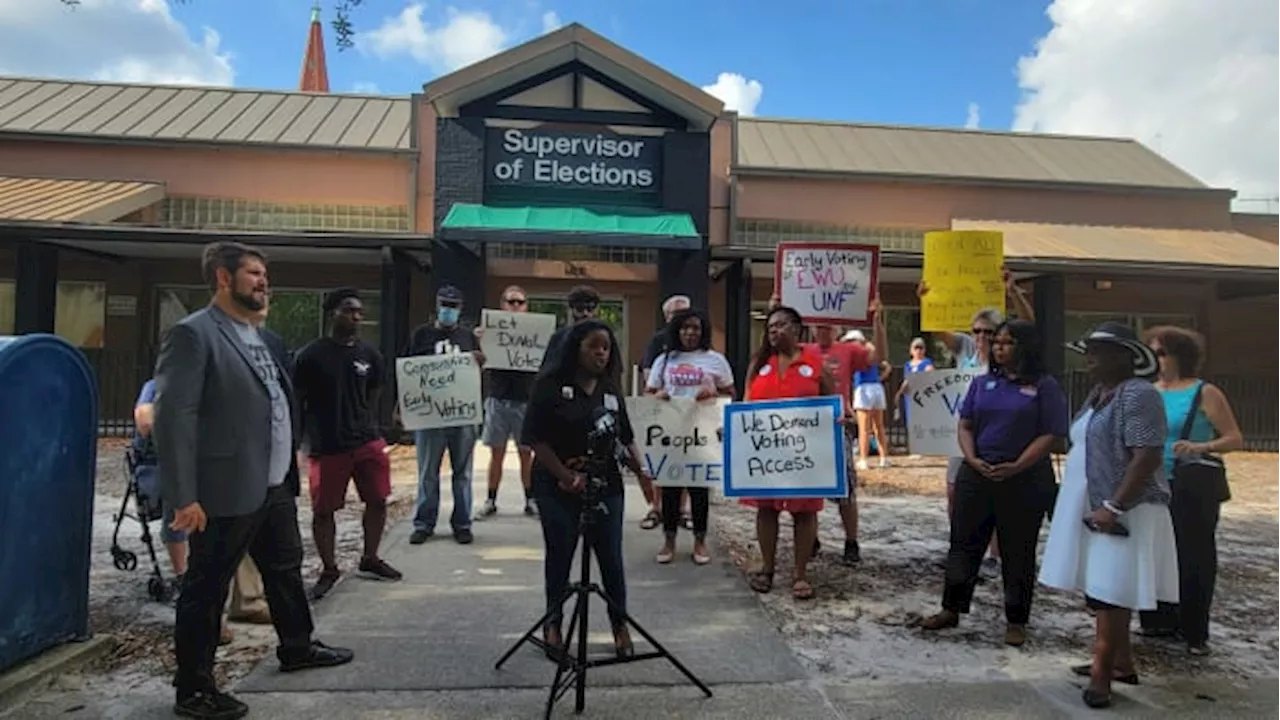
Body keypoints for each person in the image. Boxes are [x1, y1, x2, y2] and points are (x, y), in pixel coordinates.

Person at [154, 241, 352, 720]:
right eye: (253, 274)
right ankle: (194, 689)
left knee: (284, 569)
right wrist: (183, 496)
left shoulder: (267, 339)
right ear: (223, 278)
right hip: (223, 489)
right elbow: (173, 416)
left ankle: (297, 646)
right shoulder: (194, 335)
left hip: (273, 485)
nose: (264, 282)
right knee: (207, 588)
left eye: (265, 274)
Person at [1039, 322, 1178, 710]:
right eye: (1088, 352)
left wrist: (1115, 505)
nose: (1089, 359)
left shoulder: (1139, 394)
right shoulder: (1100, 394)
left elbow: (1147, 455)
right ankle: (1122, 662)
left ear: (1125, 356)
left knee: (1111, 590)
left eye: (1098, 352)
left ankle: (1103, 672)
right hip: (1092, 499)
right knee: (1102, 582)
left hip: (1126, 506)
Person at [920, 320, 1067, 647]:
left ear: (1025, 346)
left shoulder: (1044, 386)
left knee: (1018, 550)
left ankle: (1016, 619)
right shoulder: (983, 383)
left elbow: (1051, 434)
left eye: (1007, 342)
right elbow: (966, 424)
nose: (998, 347)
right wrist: (971, 459)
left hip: (1024, 477)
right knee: (963, 542)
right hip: (978, 472)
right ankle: (951, 607)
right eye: (996, 342)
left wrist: (1017, 465)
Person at [520, 319, 656, 657]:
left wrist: (644, 476)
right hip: (556, 485)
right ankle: (553, 625)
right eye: (593, 345)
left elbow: (624, 438)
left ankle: (619, 625)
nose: (601, 352)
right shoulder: (549, 386)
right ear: (575, 349)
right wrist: (565, 476)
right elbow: (534, 438)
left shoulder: (610, 390)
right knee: (561, 556)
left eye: (606, 347)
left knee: (611, 557)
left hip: (605, 485)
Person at [919, 268, 1034, 579]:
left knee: (997, 495)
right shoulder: (965, 349)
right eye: (977, 331)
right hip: (963, 435)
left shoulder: (1007, 356)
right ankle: (960, 548)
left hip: (998, 435)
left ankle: (995, 557)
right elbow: (939, 330)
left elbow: (1029, 327)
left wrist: (1013, 292)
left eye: (988, 331)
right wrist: (928, 300)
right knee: (956, 492)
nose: (981, 337)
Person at [1136, 326, 1244, 655]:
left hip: (1191, 483)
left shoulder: (1204, 393)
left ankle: (1194, 628)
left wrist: (1200, 446)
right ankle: (1157, 620)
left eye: (1162, 353)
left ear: (1180, 356)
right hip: (1153, 483)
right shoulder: (1149, 391)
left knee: (1194, 554)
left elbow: (1234, 438)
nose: (1156, 359)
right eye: (1152, 353)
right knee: (1155, 551)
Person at [292, 287, 401, 601]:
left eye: (359, 312)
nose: (355, 317)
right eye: (348, 310)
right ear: (332, 314)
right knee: (325, 510)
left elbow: (373, 394)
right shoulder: (310, 356)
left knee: (378, 500)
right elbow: (298, 402)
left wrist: (372, 427)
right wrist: (300, 442)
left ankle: (370, 557)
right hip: (328, 445)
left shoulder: (370, 355)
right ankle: (329, 568)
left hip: (366, 441)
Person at [742, 305, 839, 601]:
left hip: (804, 452)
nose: (774, 331)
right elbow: (746, 401)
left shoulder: (814, 362)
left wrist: (838, 420)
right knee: (766, 508)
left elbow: (832, 399)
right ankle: (768, 569)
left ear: (796, 329)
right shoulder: (760, 363)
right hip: (768, 454)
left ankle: (800, 574)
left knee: (804, 511)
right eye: (770, 327)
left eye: (781, 325)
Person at [644, 307, 734, 566]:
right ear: (676, 330)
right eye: (685, 328)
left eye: (695, 327)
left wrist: (713, 395)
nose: (690, 333)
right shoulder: (664, 360)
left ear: (703, 331)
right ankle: (669, 541)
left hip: (702, 433)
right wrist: (657, 395)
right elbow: (648, 392)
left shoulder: (715, 360)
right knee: (670, 488)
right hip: (672, 432)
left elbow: (730, 392)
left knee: (699, 490)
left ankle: (700, 541)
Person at [803, 303, 886, 565]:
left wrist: (878, 321)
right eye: (818, 325)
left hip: (838, 423)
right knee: (809, 488)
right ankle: (810, 539)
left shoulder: (848, 350)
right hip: (810, 425)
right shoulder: (803, 350)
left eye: (827, 325)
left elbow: (878, 356)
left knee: (846, 489)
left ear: (837, 327)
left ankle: (851, 542)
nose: (822, 329)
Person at [405, 285, 486, 546]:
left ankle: (462, 523)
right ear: (437, 306)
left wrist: (479, 359)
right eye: (444, 305)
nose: (448, 310)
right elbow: (407, 371)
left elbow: (479, 372)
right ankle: (424, 523)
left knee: (463, 473)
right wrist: (403, 407)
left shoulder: (468, 337)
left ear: (460, 309)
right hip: (430, 416)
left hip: (461, 416)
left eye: (453, 306)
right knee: (428, 472)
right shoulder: (421, 335)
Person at [475, 285, 537, 519]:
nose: (515, 306)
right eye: (510, 301)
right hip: (498, 397)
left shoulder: (533, 333)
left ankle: (530, 500)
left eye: (519, 302)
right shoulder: (490, 331)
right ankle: (491, 499)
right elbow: (478, 362)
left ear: (526, 306)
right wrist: (481, 340)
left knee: (526, 453)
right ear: (502, 304)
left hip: (525, 399)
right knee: (496, 453)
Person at [639, 294, 694, 532]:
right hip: (663, 410)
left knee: (687, 459)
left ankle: (682, 510)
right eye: (675, 314)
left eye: (685, 314)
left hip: (692, 413)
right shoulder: (658, 342)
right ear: (666, 317)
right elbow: (648, 376)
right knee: (659, 461)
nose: (680, 320)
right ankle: (656, 507)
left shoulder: (700, 344)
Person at [844, 326, 892, 470]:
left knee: (864, 427)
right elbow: (887, 366)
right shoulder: (870, 350)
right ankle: (884, 458)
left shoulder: (855, 353)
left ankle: (864, 459)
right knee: (879, 426)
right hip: (876, 387)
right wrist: (879, 378)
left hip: (863, 388)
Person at [539, 284, 601, 371]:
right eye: (580, 309)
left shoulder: (603, 337)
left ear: (595, 310)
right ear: (571, 310)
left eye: (590, 309)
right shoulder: (559, 338)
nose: (585, 313)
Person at [894, 337, 936, 429]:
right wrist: (899, 393)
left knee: (923, 419)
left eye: (921, 347)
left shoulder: (927, 362)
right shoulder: (908, 365)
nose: (918, 350)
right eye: (916, 347)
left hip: (923, 394)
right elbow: (906, 380)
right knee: (910, 420)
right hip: (910, 396)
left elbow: (931, 374)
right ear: (911, 350)